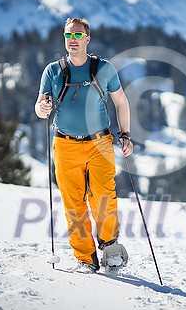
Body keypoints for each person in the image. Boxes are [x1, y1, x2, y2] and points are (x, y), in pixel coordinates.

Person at [35, 17, 133, 273]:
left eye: (78, 35)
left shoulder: (104, 68)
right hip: (65, 144)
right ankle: (85, 259)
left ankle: (110, 247)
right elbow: (40, 106)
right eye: (68, 35)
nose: (73, 40)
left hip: (100, 142)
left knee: (104, 198)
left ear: (88, 39)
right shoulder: (52, 71)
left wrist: (125, 134)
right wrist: (42, 108)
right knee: (73, 203)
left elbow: (121, 102)